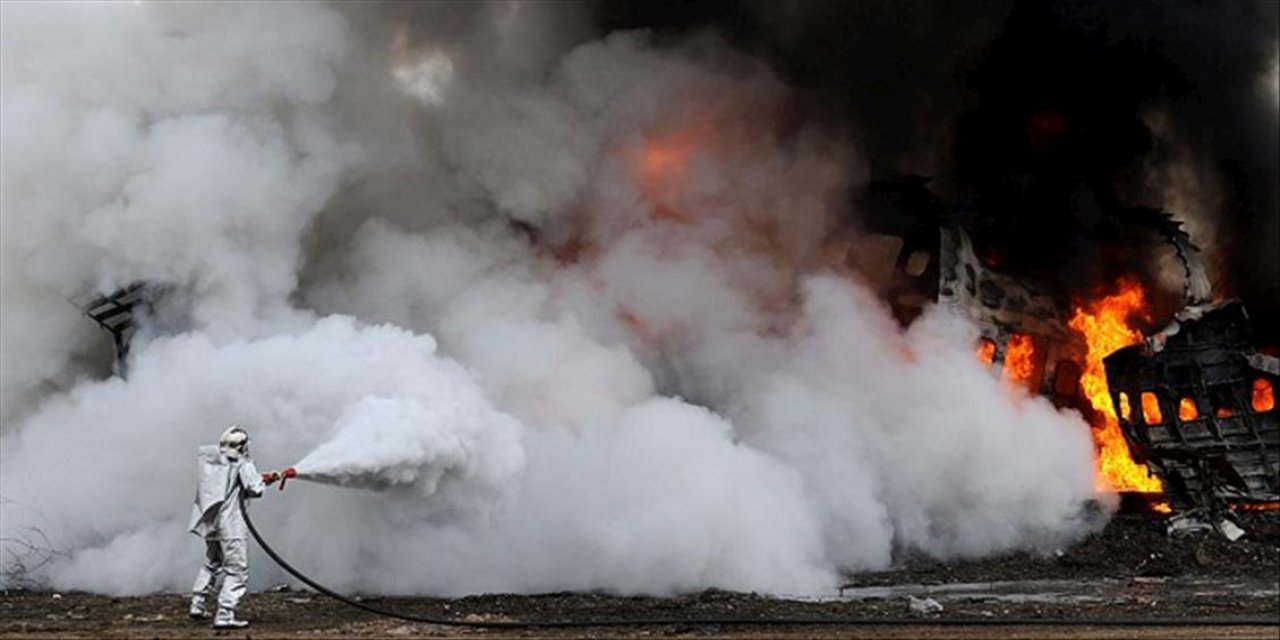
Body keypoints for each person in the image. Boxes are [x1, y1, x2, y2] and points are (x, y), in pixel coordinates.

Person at [187, 425, 280, 629]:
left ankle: (198, 604)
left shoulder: (212, 461)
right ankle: (225, 615)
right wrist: (262, 481)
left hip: (211, 523)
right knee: (237, 570)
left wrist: (264, 477)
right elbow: (254, 488)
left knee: (212, 563)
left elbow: (232, 485)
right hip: (232, 526)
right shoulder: (243, 463)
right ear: (243, 446)